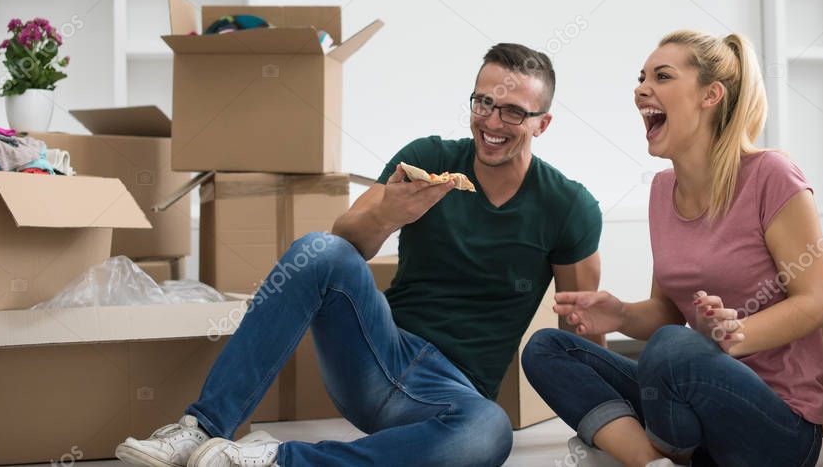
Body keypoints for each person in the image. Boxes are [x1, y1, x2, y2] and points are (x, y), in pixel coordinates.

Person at [116, 43, 604, 467]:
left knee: (489, 432)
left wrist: (603, 426)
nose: (493, 122)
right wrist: (390, 212)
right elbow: (343, 243)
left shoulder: (568, 206)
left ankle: (273, 459)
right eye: (483, 102)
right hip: (375, 354)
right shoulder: (429, 158)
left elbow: (580, 334)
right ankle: (202, 428)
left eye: (513, 111)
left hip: (450, 395)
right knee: (318, 250)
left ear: (543, 123)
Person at [521, 30, 823, 467]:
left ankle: (652, 449)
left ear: (711, 95)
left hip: (777, 425)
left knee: (670, 348)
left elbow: (813, 304)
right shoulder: (663, 189)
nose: (641, 89)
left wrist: (734, 335)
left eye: (662, 77)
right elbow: (667, 309)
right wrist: (622, 314)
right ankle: (651, 458)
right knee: (547, 348)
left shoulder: (772, 175)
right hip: (694, 411)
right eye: (641, 77)